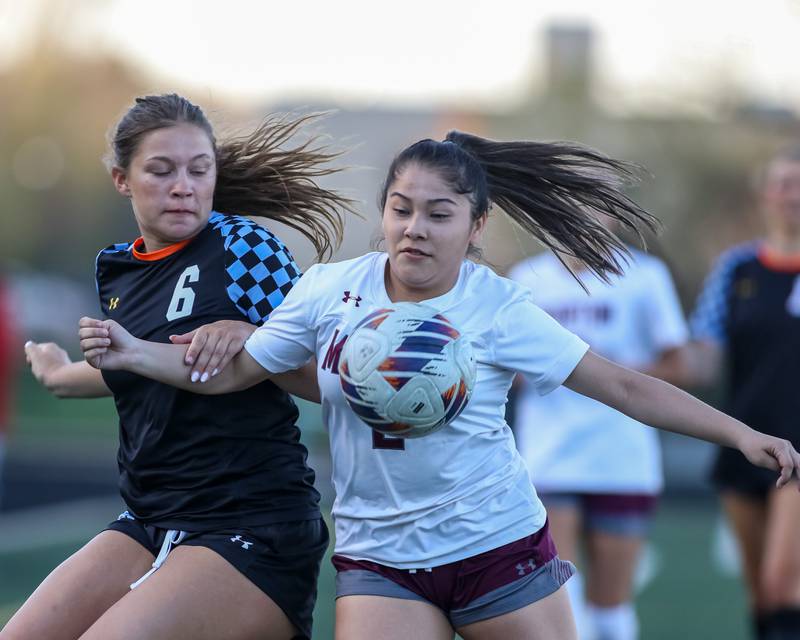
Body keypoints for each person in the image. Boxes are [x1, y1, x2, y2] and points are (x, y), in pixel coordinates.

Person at [78, 132, 800, 640]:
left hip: (497, 549)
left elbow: (623, 386)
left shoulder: (499, 306)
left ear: (476, 224)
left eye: (438, 213)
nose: (414, 228)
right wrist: (136, 353)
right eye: (400, 208)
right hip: (379, 559)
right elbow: (236, 369)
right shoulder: (331, 291)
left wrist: (741, 433)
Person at [2, 93, 356, 640]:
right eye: (161, 171)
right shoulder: (116, 269)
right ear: (122, 179)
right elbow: (138, 366)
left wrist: (255, 338)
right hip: (150, 518)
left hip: (252, 522)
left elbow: (328, 379)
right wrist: (58, 374)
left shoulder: (245, 248)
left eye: (198, 169)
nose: (182, 186)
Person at [508, 240, 690, 640]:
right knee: (561, 599)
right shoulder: (527, 278)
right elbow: (505, 365)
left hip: (621, 459)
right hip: (548, 459)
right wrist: (546, 370)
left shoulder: (645, 275)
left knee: (611, 609)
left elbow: (679, 363)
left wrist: (605, 376)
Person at [688, 145, 800, 640]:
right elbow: (702, 357)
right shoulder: (735, 269)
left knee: (783, 588)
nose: (790, 195)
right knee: (760, 597)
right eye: (781, 183)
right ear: (763, 195)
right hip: (746, 442)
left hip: (798, 450)